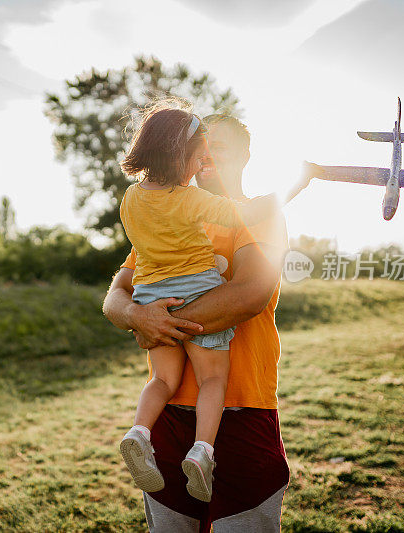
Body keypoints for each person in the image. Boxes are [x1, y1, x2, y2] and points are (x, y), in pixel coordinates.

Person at [104, 113, 294, 531]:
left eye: (220, 147)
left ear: (245, 158)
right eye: (202, 146)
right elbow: (115, 297)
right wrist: (137, 315)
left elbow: (249, 294)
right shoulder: (168, 218)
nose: (207, 153)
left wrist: (163, 324)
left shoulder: (258, 215)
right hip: (169, 421)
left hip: (243, 412)